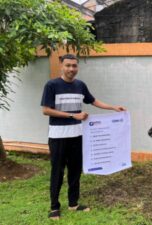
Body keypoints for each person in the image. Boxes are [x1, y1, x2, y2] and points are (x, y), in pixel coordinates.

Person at [41, 54, 126, 220]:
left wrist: (113, 107)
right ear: (61, 66)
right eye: (68, 66)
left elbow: (93, 101)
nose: (72, 69)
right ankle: (54, 207)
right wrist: (73, 116)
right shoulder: (52, 85)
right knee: (57, 172)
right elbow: (46, 110)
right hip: (58, 137)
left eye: (74, 66)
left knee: (75, 171)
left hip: (78, 136)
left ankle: (73, 203)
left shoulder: (80, 85)